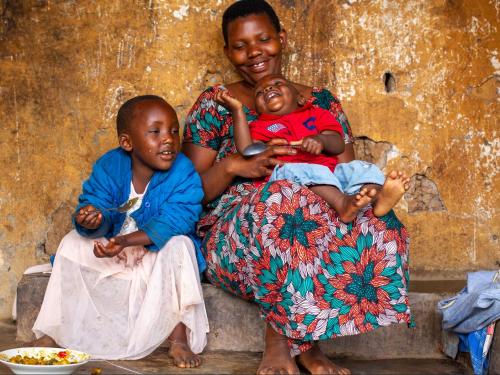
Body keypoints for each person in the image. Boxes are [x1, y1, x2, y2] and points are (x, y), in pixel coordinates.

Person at [182, 1, 412, 374]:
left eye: (263, 40)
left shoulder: (320, 102)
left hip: (320, 209)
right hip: (238, 235)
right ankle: (287, 342)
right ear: (227, 52)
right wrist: (236, 166)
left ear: (281, 39)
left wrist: (318, 153)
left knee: (376, 216)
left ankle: (306, 341)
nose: (253, 53)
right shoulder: (217, 104)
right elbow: (185, 194)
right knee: (282, 200)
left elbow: (343, 171)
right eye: (239, 46)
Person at [31, 95, 209, 369]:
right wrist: (93, 221)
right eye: (155, 132)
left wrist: (126, 241)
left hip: (154, 257)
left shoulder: (183, 171)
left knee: (181, 246)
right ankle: (53, 331)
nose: (168, 139)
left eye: (174, 131)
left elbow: (178, 220)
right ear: (127, 142)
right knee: (72, 241)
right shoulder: (109, 166)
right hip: (114, 255)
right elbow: (94, 205)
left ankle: (178, 338)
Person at [215, 73, 410, 223]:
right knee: (299, 169)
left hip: (332, 174)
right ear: (258, 110)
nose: (267, 89)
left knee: (361, 168)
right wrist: (237, 111)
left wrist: (321, 140)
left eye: (276, 84)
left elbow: (338, 143)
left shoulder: (317, 114)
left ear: (300, 98)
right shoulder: (261, 125)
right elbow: (247, 149)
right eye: (260, 93)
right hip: (290, 179)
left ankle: (378, 198)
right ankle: (342, 204)